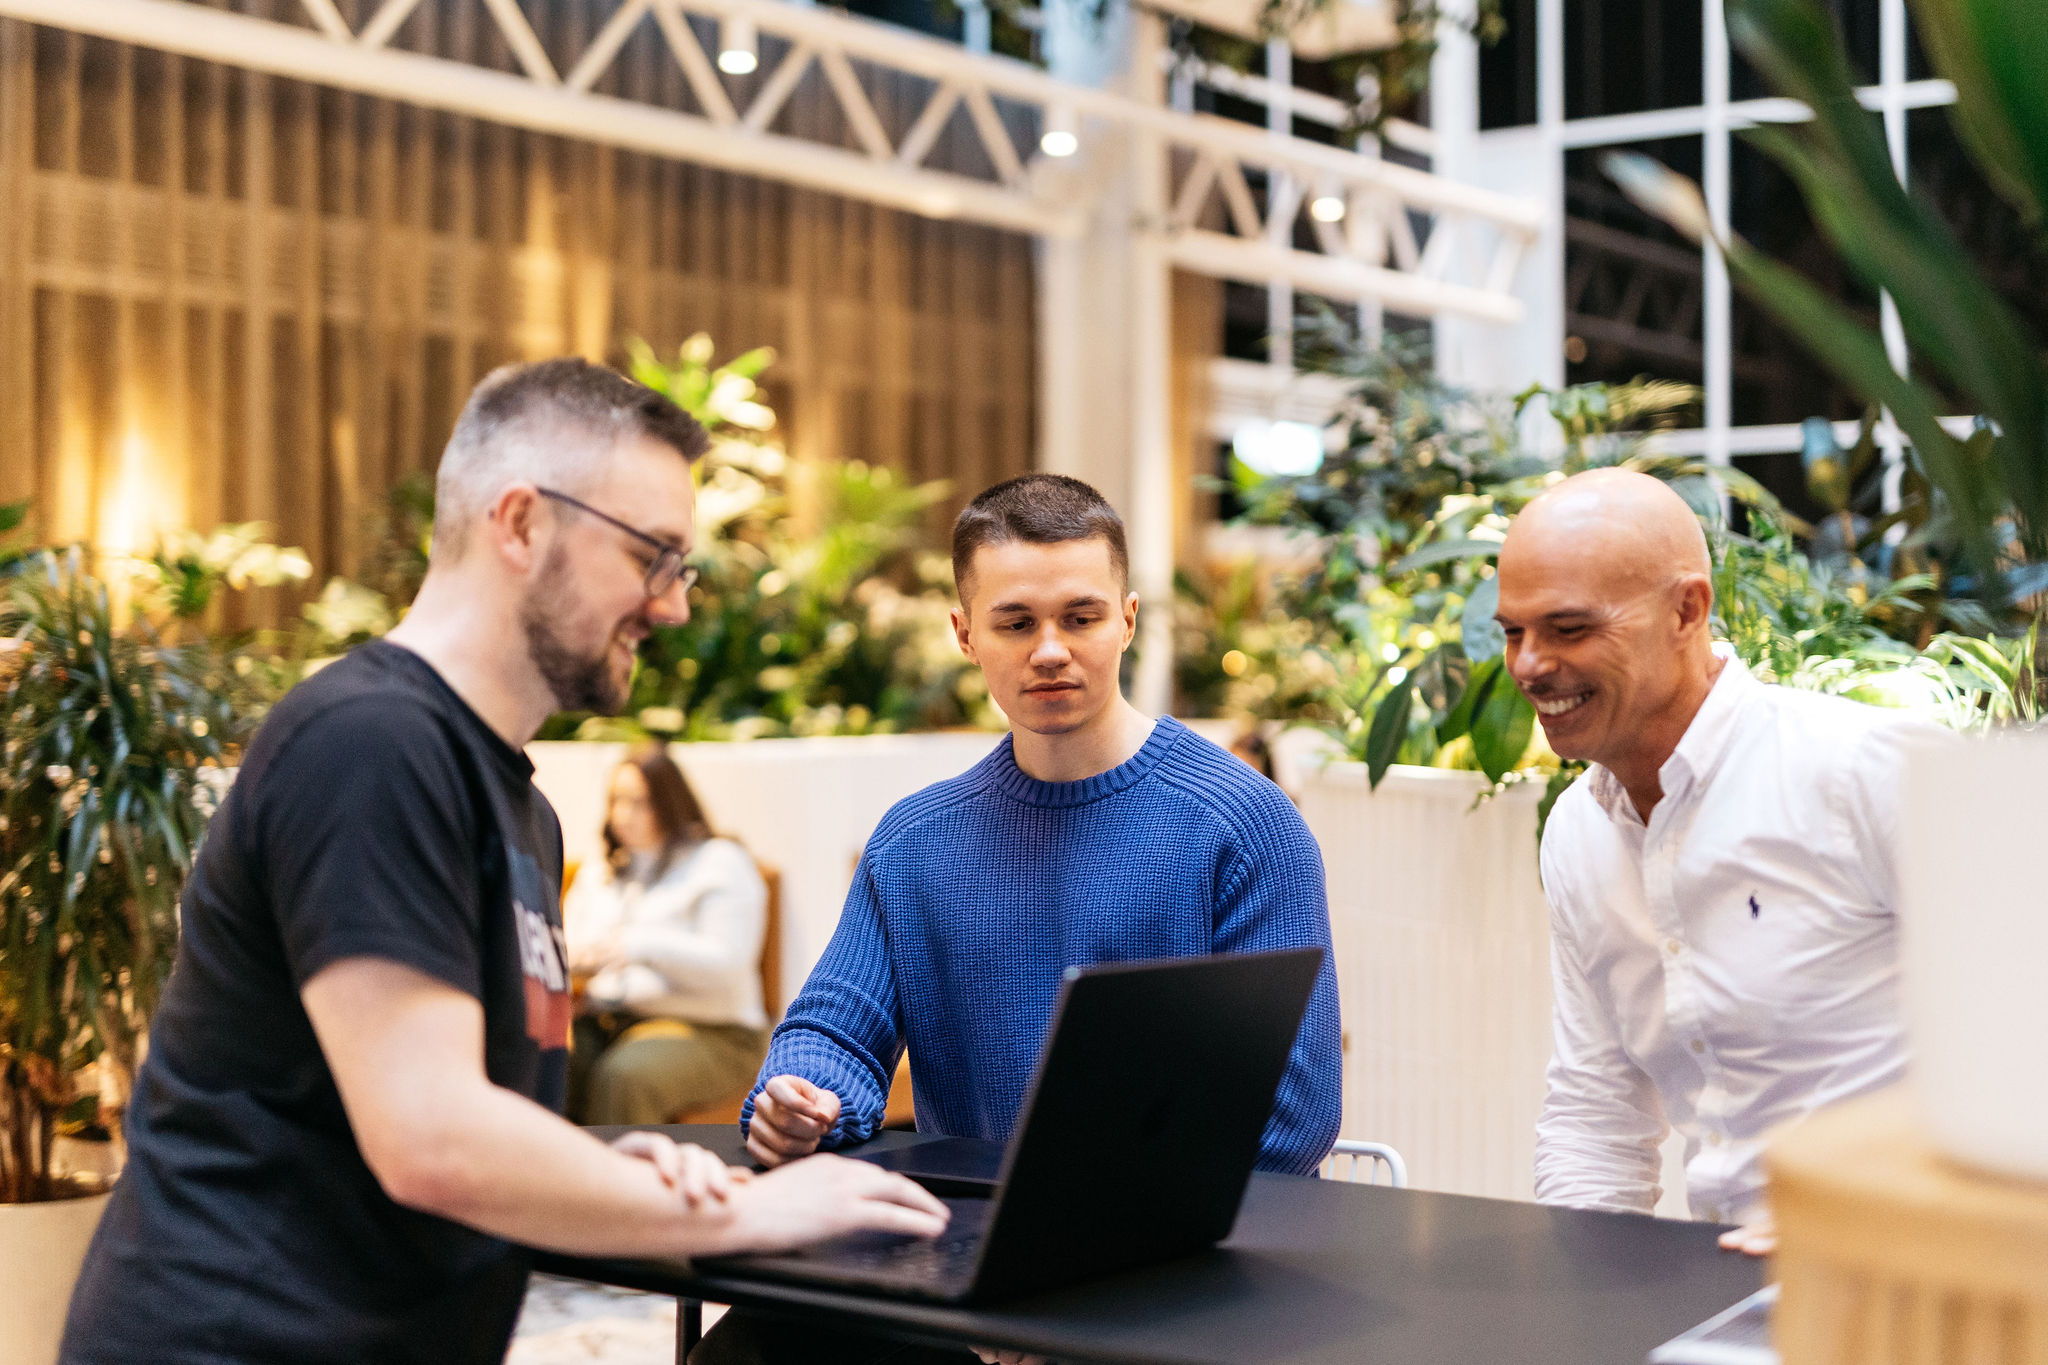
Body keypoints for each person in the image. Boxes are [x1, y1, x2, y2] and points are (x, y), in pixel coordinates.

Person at [61, 358, 945, 1365]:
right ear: (521, 523)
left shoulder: (525, 811)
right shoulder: (369, 744)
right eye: (652, 555)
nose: (674, 608)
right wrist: (748, 1212)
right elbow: (432, 1141)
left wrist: (602, 1171)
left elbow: (473, 1112)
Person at [696, 474, 1342, 1365]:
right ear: (965, 633)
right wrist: (800, 1095)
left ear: (1126, 618)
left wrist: (1072, 1276)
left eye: (1079, 617)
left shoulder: (1245, 825)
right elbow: (832, 1029)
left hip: (1181, 1276)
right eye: (1015, 622)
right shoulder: (917, 840)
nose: (1050, 650)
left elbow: (1290, 1119)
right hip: (971, 1264)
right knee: (747, 1351)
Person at [1495, 467, 1931, 1258]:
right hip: (1725, 1290)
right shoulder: (1577, 833)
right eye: (1512, 632)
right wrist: (1578, 1301)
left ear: (1686, 610)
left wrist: (1889, 1207)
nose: (1528, 664)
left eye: (1566, 628)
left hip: (1915, 1281)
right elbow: (1598, 1108)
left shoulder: (1869, 772)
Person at [566, 744, 771, 1124]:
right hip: (616, 1020)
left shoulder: (718, 861)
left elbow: (726, 965)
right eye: (617, 801)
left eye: (639, 802)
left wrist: (637, 945)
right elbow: (575, 947)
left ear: (670, 801)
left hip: (718, 1032)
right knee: (555, 1059)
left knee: (626, 1077)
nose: (623, 815)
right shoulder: (601, 871)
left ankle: (621, 1183)